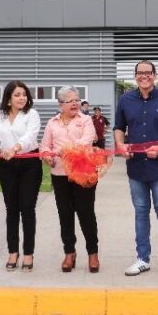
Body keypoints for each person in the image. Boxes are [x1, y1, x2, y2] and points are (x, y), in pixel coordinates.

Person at [114, 60, 158, 280]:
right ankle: (142, 259)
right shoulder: (126, 100)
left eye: (148, 72)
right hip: (135, 166)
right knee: (141, 212)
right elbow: (118, 128)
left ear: (155, 75)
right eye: (140, 73)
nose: (144, 76)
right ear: (135, 76)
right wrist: (120, 145)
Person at [40, 86, 111, 273]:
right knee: (65, 214)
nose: (74, 103)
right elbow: (44, 146)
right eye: (69, 101)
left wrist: (63, 149)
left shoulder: (86, 120)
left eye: (77, 100)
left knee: (86, 213)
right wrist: (47, 155)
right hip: (60, 175)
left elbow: (85, 142)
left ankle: (93, 253)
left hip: (83, 175)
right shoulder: (52, 123)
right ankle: (69, 253)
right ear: (60, 104)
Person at [0, 81, 41, 272]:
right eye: (17, 95)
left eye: (24, 94)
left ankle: (28, 254)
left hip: (29, 164)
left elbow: (30, 136)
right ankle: (12, 252)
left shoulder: (31, 114)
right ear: (8, 99)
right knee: (11, 209)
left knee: (27, 208)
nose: (22, 98)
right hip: (7, 165)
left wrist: (14, 148)